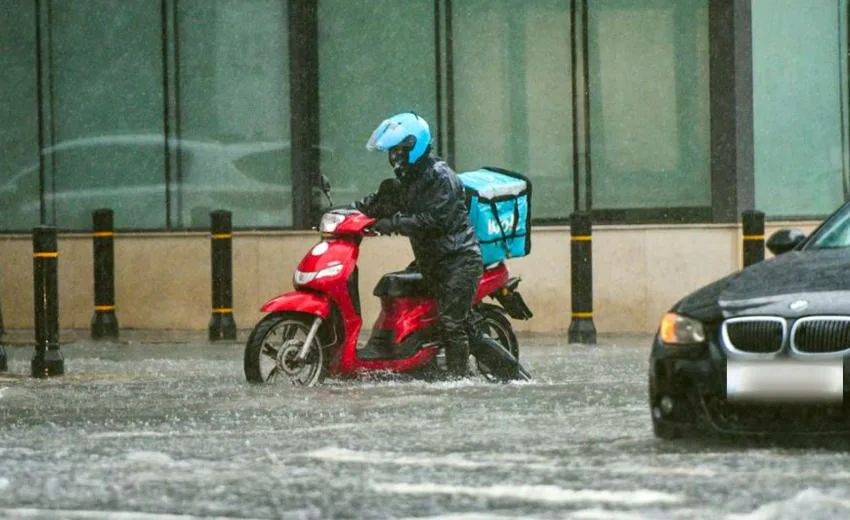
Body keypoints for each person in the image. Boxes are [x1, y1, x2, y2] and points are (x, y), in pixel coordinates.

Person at [357, 111, 482, 378]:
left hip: (458, 261)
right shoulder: (409, 180)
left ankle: (460, 381)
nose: (394, 157)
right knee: (394, 289)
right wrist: (358, 213)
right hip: (434, 262)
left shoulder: (441, 177)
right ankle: (415, 360)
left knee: (453, 324)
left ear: (415, 146)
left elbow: (432, 220)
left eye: (399, 150)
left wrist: (393, 223)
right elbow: (385, 203)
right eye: (391, 152)